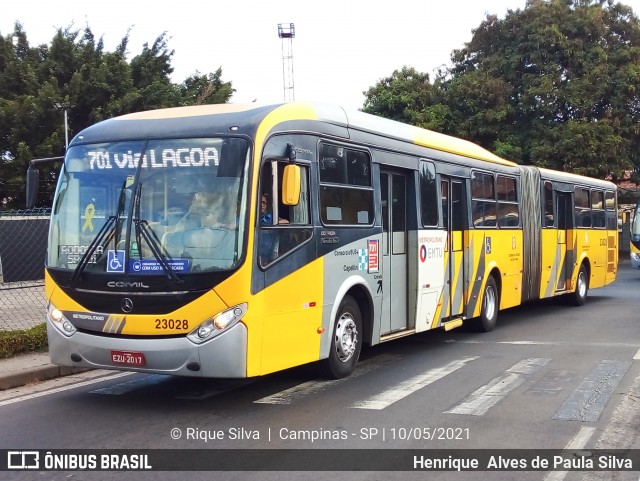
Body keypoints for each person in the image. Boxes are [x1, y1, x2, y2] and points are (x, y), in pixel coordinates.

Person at [259, 193, 287, 264]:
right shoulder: (251, 217)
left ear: (266, 205)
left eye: (264, 203)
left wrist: (270, 226)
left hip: (268, 256)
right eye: (260, 202)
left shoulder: (270, 217)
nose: (262, 205)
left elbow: (286, 222)